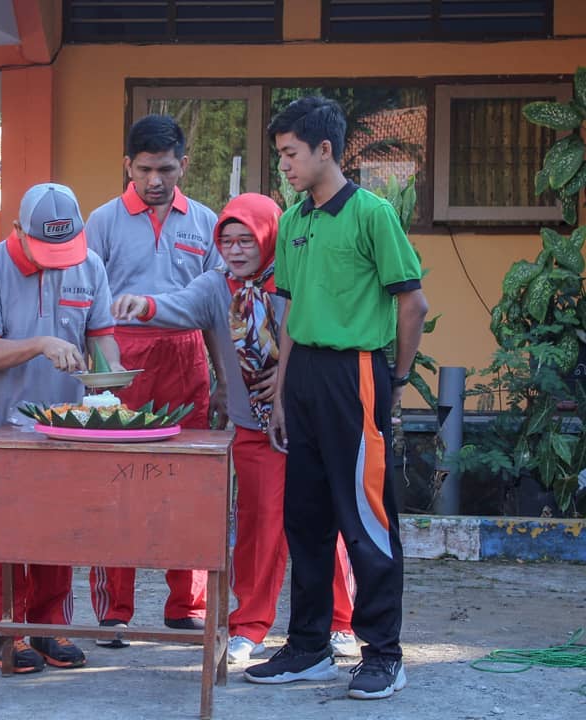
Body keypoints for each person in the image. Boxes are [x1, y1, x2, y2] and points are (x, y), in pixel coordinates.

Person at [111, 193, 360, 665]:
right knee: (257, 526)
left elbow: (326, 333)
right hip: (254, 430)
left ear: (269, 238)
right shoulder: (214, 287)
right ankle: (249, 626)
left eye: (247, 239)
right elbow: (176, 307)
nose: (237, 250)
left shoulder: (298, 277)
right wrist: (141, 305)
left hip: (311, 426)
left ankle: (341, 621)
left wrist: (286, 369)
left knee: (325, 525)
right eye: (227, 241)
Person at [243, 96, 428, 700]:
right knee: (307, 519)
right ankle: (307, 647)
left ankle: (383, 653)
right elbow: (291, 314)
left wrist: (396, 382)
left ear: (326, 150)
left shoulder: (373, 215)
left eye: (291, 154)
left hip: (359, 374)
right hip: (305, 382)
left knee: (367, 518)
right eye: (280, 156)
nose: (286, 167)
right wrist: (281, 393)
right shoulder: (295, 220)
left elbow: (412, 302)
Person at [0, 182, 123, 674]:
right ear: (17, 232)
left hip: (65, 428)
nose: (58, 261)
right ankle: (1, 630)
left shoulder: (89, 266)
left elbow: (103, 339)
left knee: (60, 532)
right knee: (0, 536)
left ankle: (48, 625)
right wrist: (40, 343)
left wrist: (111, 389)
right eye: (47, 249)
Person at [83, 114, 221, 642]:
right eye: (144, 170)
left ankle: (185, 601)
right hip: (121, 358)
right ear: (128, 166)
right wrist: (98, 376)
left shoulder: (206, 222)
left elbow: (212, 308)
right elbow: (90, 304)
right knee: (116, 481)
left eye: (166, 168)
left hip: (187, 358)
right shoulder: (103, 221)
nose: (155, 181)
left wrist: (223, 379)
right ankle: (114, 607)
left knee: (189, 481)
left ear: (183, 164)